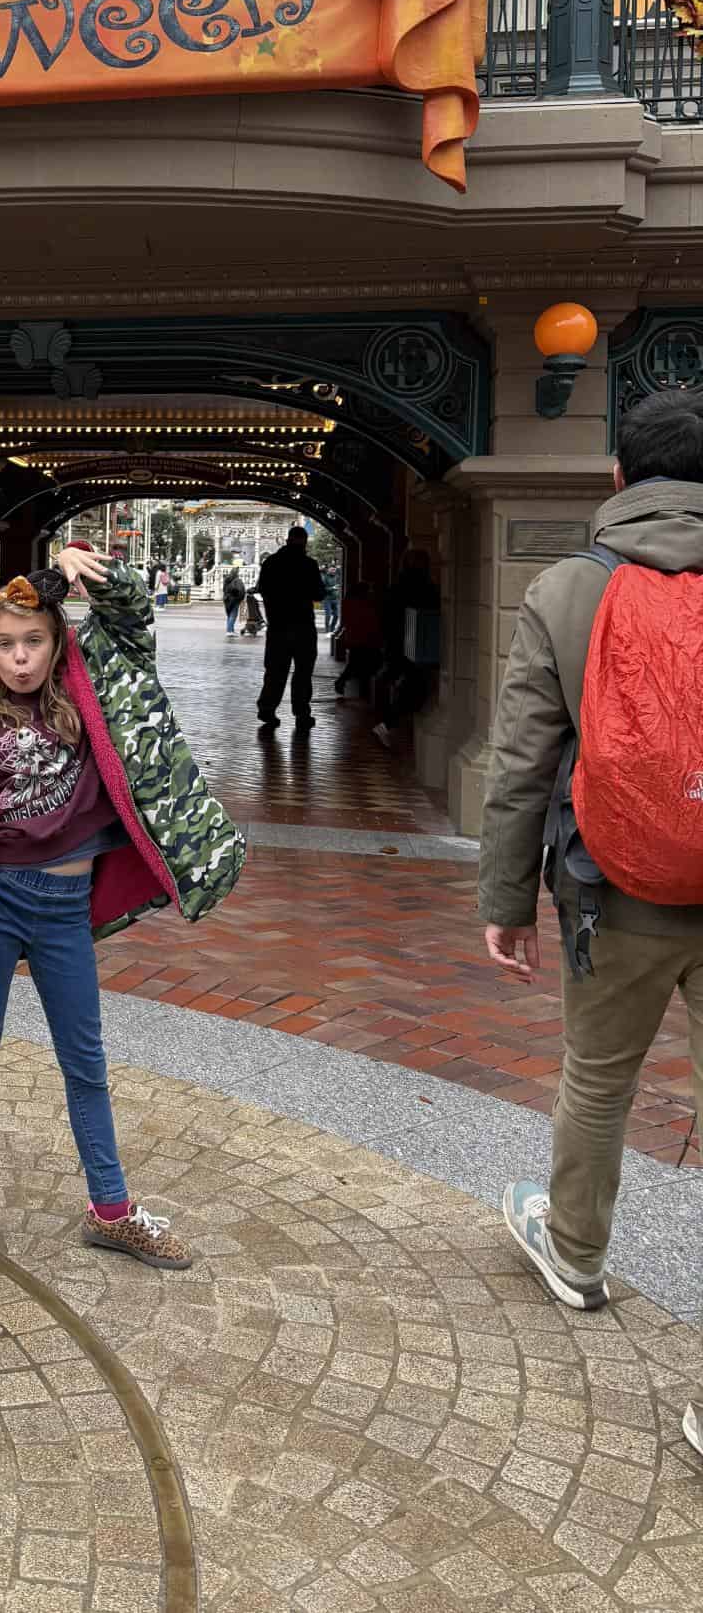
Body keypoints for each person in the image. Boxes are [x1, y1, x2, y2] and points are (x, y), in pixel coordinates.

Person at [0, 548, 245, 1271]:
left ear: (57, 638)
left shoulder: (93, 678)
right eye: (5, 644)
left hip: (66, 906)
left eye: (33, 640)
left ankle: (109, 1207)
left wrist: (94, 572)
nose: (20, 658)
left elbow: (134, 616)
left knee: (86, 1058)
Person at [479, 388, 703, 1466]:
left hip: (614, 889)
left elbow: (523, 758)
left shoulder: (568, 587)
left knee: (597, 1078)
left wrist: (502, 902)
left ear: (618, 478)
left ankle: (573, 1255)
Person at [255, 525, 325, 729]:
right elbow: (319, 594)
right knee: (303, 672)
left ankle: (267, 709)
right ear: (304, 542)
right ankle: (302, 714)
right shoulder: (309, 564)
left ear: (287, 540)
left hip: (278, 626)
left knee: (275, 671)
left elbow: (263, 589)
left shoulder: (271, 562)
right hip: (303, 625)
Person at [372, 547, 440, 748]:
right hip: (416, 644)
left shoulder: (397, 585)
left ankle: (388, 721)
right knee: (417, 688)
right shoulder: (424, 586)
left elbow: (385, 615)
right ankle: (387, 723)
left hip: (397, 644)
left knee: (403, 681)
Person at [333, 581, 382, 699]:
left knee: (357, 663)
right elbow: (371, 620)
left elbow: (346, 621)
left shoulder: (348, 602)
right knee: (362, 664)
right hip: (365, 638)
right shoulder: (364, 603)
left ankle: (358, 688)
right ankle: (361, 689)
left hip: (353, 638)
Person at [221, 563, 246, 635]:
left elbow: (224, 589)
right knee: (233, 615)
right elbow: (240, 590)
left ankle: (230, 630)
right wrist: (240, 597)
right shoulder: (237, 580)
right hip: (235, 599)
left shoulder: (226, 580)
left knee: (229, 615)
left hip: (227, 599)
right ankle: (229, 631)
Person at [321, 568, 340, 636]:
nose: (333, 571)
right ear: (329, 570)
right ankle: (327, 629)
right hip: (327, 599)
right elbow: (323, 589)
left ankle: (332, 628)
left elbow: (339, 586)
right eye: (332, 570)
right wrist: (333, 588)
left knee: (336, 615)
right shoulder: (325, 578)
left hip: (335, 599)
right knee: (328, 615)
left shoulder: (337, 577)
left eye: (334, 570)